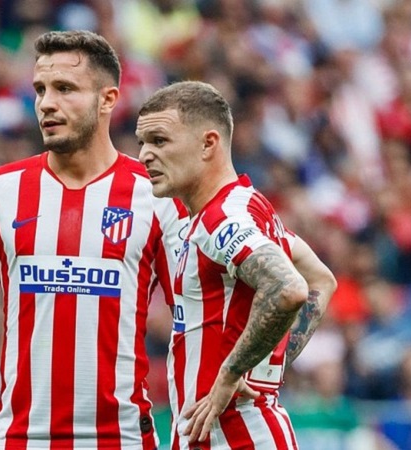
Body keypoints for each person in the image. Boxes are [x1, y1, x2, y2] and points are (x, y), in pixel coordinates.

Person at [0, 30, 188, 450]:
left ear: (108, 100)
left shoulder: (157, 195)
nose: (46, 103)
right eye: (40, 89)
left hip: (123, 439)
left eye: (65, 88)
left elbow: (193, 315)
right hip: (21, 439)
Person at [136, 81, 337, 449]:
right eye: (142, 143)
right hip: (218, 430)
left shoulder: (222, 220)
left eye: (159, 141)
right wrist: (262, 367)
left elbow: (290, 288)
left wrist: (231, 373)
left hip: (236, 435)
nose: (145, 155)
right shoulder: (244, 206)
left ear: (208, 144)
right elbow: (320, 279)